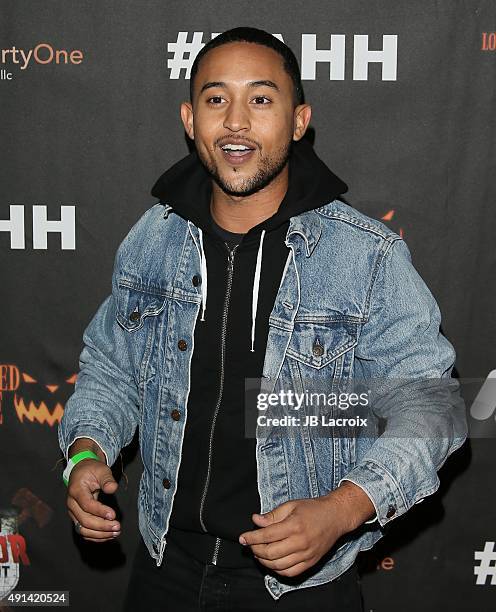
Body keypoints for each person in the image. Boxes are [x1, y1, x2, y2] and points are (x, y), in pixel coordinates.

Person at [58, 26, 467, 611]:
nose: (236, 122)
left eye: (261, 99)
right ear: (189, 118)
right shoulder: (154, 238)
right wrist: (86, 452)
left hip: (301, 587)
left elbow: (433, 403)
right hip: (164, 567)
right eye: (216, 98)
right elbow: (110, 370)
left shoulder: (364, 255)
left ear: (299, 121)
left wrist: (343, 508)